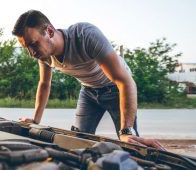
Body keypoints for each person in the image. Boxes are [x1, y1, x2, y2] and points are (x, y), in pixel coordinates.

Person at [12, 10, 165, 150]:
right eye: (27, 48)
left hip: (115, 88)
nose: (31, 53)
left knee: (130, 142)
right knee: (77, 142)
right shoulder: (44, 54)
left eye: (33, 44)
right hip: (88, 91)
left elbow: (125, 82)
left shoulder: (85, 35)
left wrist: (126, 131)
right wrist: (35, 120)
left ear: (50, 31)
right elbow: (44, 84)